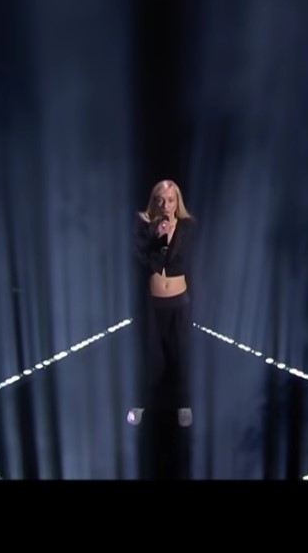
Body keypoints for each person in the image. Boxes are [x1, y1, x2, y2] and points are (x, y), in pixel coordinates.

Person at [129, 179, 197, 428]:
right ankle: (139, 405)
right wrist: (157, 238)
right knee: (150, 359)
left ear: (177, 202)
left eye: (170, 200)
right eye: (160, 200)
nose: (165, 205)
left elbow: (185, 261)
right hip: (153, 305)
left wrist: (170, 235)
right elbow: (142, 261)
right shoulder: (143, 226)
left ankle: (184, 406)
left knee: (180, 356)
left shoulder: (188, 226)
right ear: (153, 202)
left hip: (179, 303)